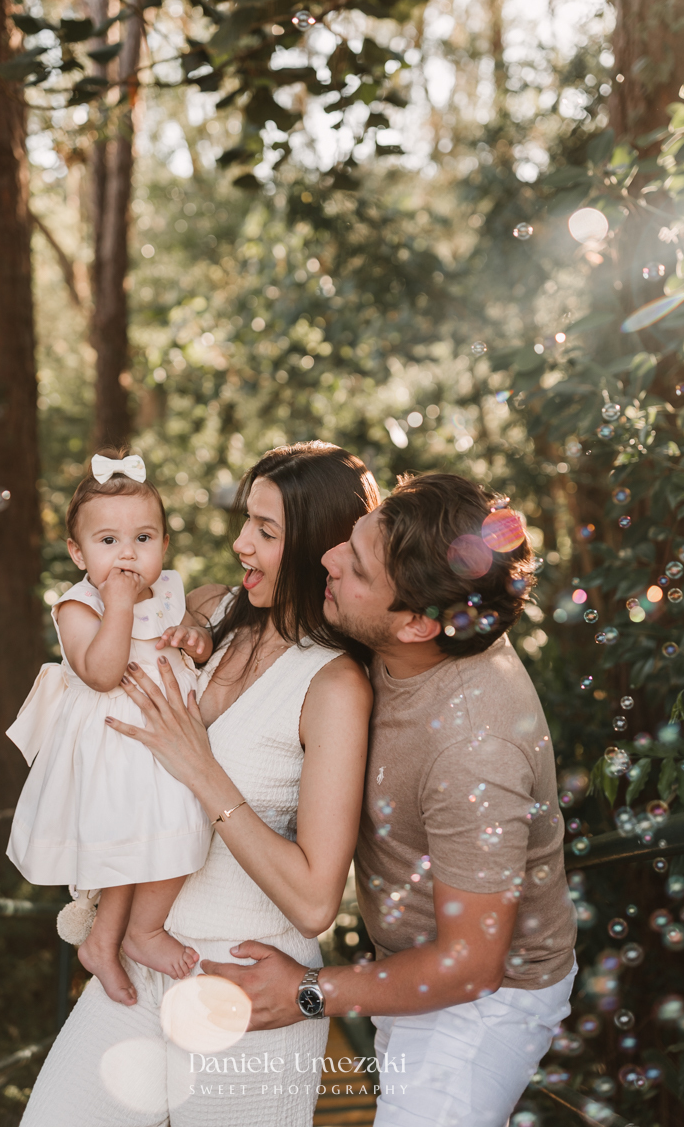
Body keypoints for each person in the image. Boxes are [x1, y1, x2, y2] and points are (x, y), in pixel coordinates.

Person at [202, 472, 578, 1127]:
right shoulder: (400, 622)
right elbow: (233, 598)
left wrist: (307, 992)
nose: (327, 559)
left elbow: (471, 965)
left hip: (487, 1000)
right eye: (349, 541)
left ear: (417, 625)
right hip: (405, 965)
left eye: (354, 567)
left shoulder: (476, 752)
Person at [19, 441, 377, 1127]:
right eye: (247, 522)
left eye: (266, 531)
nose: (241, 544)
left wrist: (200, 766)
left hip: (242, 984)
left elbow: (313, 902)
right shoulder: (207, 610)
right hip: (140, 964)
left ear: (321, 549)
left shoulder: (333, 685)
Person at [6, 449, 214, 1006]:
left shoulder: (168, 590)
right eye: (108, 541)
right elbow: (100, 673)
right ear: (78, 553)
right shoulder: (78, 606)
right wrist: (118, 604)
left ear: (164, 544)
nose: (127, 553)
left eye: (143, 538)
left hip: (167, 735)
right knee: (137, 838)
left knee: (165, 831)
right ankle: (139, 933)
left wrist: (194, 638)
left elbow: (193, 639)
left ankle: (107, 940)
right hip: (116, 741)